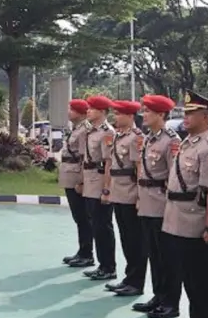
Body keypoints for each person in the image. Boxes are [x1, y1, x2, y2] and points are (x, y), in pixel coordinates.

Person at [164, 90, 208, 318]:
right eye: (185, 113)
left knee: (206, 278)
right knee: (190, 277)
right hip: (179, 219)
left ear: (206, 117)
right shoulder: (188, 143)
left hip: (198, 222)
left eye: (191, 113)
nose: (186, 117)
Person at [137, 94, 182, 318]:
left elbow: (175, 175)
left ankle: (170, 302)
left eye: (148, 111)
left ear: (161, 115)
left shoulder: (171, 140)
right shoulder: (149, 138)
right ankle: (159, 295)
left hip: (162, 203)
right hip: (147, 203)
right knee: (154, 254)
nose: (144, 115)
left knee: (167, 256)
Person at [105, 100, 146, 297]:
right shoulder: (119, 136)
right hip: (118, 193)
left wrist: (139, 195)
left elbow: (139, 168)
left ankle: (136, 282)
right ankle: (129, 278)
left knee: (134, 240)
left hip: (130, 194)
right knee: (126, 239)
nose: (116, 117)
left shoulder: (136, 138)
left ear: (130, 116)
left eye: (119, 114)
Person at [81, 95, 117, 281]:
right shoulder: (92, 131)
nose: (88, 111)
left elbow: (109, 162)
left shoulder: (107, 133)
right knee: (96, 225)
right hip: (90, 181)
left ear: (102, 112)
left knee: (103, 226)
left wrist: (106, 189)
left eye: (92, 108)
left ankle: (109, 267)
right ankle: (102, 264)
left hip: (100, 181)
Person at [59, 99, 93, 268]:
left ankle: (87, 253)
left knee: (83, 217)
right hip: (69, 175)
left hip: (76, 177)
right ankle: (82, 251)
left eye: (71, 110)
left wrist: (82, 180)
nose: (68, 112)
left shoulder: (84, 130)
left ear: (80, 113)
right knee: (78, 217)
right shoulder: (77, 129)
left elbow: (83, 158)